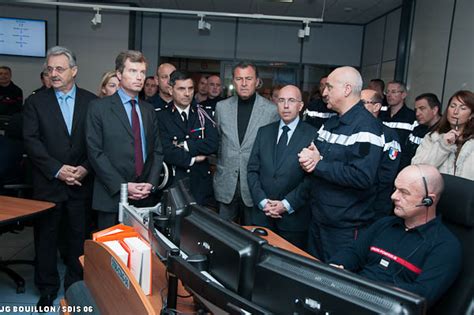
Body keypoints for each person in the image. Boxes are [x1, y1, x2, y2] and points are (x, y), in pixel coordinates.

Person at [23, 46, 97, 307]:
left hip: (81, 182)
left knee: (79, 238)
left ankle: (75, 288)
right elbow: (31, 142)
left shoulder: (92, 102)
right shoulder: (35, 102)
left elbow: (97, 143)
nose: (53, 74)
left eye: (59, 69)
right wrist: (57, 169)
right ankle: (47, 288)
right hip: (48, 183)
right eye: (50, 69)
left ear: (74, 71)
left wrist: (85, 167)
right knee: (46, 239)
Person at [329, 165, 462, 307]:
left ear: (428, 200)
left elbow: (422, 295)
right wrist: (337, 266)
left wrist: (364, 289)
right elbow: (354, 252)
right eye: (395, 189)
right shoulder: (385, 224)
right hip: (350, 299)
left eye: (404, 192)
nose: (393, 197)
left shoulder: (445, 246)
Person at [298, 66, 384, 262]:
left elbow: (362, 176)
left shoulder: (366, 127)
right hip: (319, 219)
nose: (324, 92)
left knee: (334, 284)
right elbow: (314, 152)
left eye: (329, 87)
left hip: (344, 229)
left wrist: (319, 164)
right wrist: (313, 159)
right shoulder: (331, 123)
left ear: (346, 89)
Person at [86, 50, 163, 229]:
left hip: (144, 197)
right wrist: (123, 186)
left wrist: (150, 184)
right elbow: (95, 152)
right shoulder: (98, 108)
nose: (139, 77)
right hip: (110, 195)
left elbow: (157, 151)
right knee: (110, 253)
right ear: (119, 74)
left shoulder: (148, 110)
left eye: (142, 72)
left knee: (141, 253)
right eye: (132, 71)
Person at [247, 85, 316, 249]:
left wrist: (285, 204)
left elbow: (311, 179)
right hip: (262, 216)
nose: (286, 106)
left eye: (291, 101)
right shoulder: (264, 132)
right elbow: (252, 170)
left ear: (300, 106)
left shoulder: (313, 134)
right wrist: (263, 202)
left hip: (294, 220)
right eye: (281, 100)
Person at [214, 61, 279, 224]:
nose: (244, 83)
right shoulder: (221, 107)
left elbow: (272, 151)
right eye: (239, 79)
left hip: (255, 186)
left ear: (257, 81)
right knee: (222, 235)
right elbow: (218, 143)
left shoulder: (271, 110)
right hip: (226, 182)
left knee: (253, 237)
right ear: (233, 81)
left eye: (248, 78)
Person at [156, 70, 217, 205]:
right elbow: (165, 150)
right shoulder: (161, 117)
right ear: (171, 90)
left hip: (200, 185)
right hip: (174, 184)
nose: (187, 93)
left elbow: (213, 143)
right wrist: (192, 158)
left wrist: (185, 145)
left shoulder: (203, 114)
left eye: (190, 88)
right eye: (181, 89)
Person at [412, 90, 474, 180]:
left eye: (463, 108)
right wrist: (443, 146)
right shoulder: (432, 137)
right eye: (452, 106)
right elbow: (417, 168)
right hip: (438, 192)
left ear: (471, 115)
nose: (455, 111)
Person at [361, 89, 401, 219]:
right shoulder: (352, 131)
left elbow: (387, 176)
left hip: (374, 207)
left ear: (376, 106)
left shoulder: (388, 135)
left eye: (362, 103)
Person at [400, 93, 442, 169]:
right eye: (416, 110)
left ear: (435, 110)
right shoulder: (417, 129)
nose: (417, 113)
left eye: (422, 109)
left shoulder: (444, 132)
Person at [379, 81, 416, 154]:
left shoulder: (412, 117)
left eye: (393, 92)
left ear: (403, 95)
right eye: (387, 92)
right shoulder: (380, 114)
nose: (389, 95)